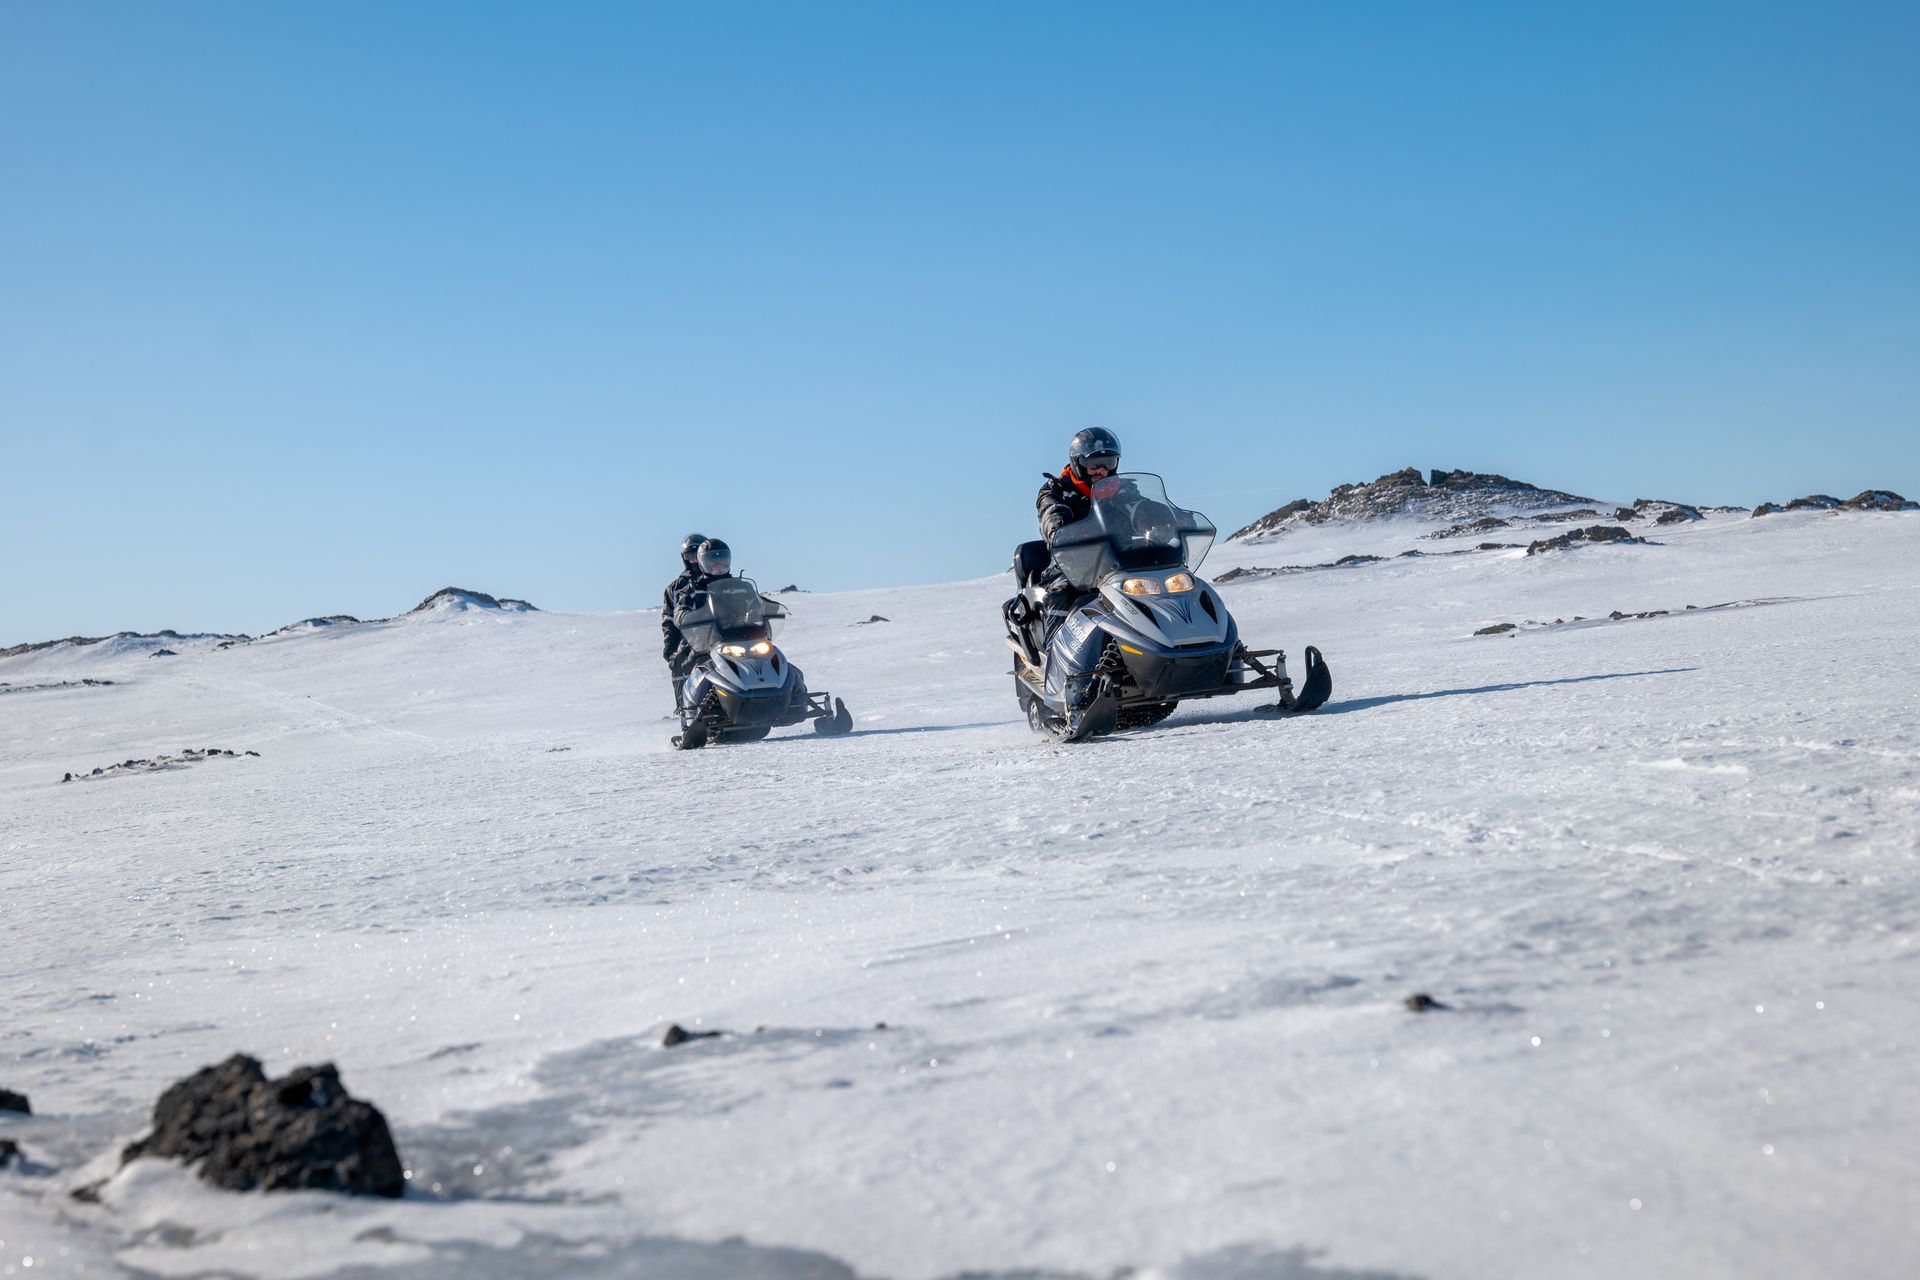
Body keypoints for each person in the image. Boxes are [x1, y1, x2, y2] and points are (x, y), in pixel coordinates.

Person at [662, 531, 708, 708]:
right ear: (684, 558)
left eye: (697, 555)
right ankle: (686, 709)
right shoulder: (675, 588)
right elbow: (669, 619)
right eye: (690, 556)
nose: (694, 560)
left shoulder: (718, 580)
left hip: (722, 633)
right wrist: (670, 647)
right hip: (691, 639)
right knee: (680, 660)